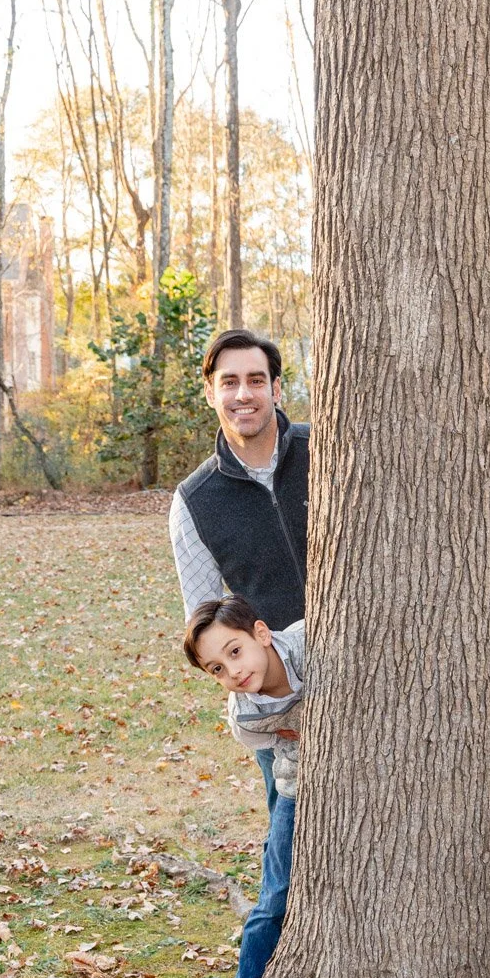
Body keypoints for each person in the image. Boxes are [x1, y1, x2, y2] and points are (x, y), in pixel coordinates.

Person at [169, 326, 308, 821]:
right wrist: (257, 695)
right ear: (211, 393)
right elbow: (203, 625)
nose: (243, 394)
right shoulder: (194, 499)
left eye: (255, 379)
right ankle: (283, 903)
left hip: (369, 665)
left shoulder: (327, 451)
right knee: (293, 822)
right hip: (278, 693)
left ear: (275, 387)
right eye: (229, 382)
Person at [183, 595, 305, 978]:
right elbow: (268, 754)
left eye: (235, 651)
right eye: (217, 668)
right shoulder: (246, 718)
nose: (233, 671)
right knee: (275, 895)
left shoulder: (312, 642)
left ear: (261, 633)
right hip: (297, 786)